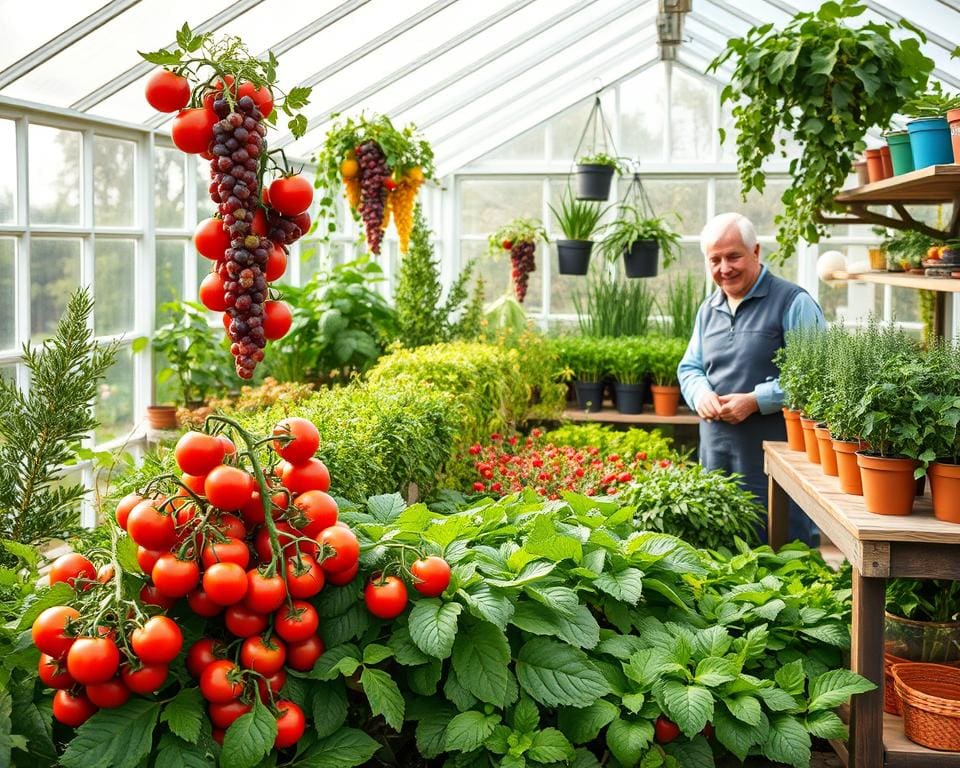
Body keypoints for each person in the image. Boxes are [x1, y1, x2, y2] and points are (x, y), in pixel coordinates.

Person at [677, 212, 825, 544]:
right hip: (716, 456)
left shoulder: (792, 302)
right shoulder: (708, 309)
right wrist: (701, 394)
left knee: (783, 549)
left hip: (775, 460)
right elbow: (689, 368)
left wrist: (756, 401)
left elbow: (815, 376)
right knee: (720, 548)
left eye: (733, 256)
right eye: (714, 260)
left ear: (756, 252)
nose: (724, 268)